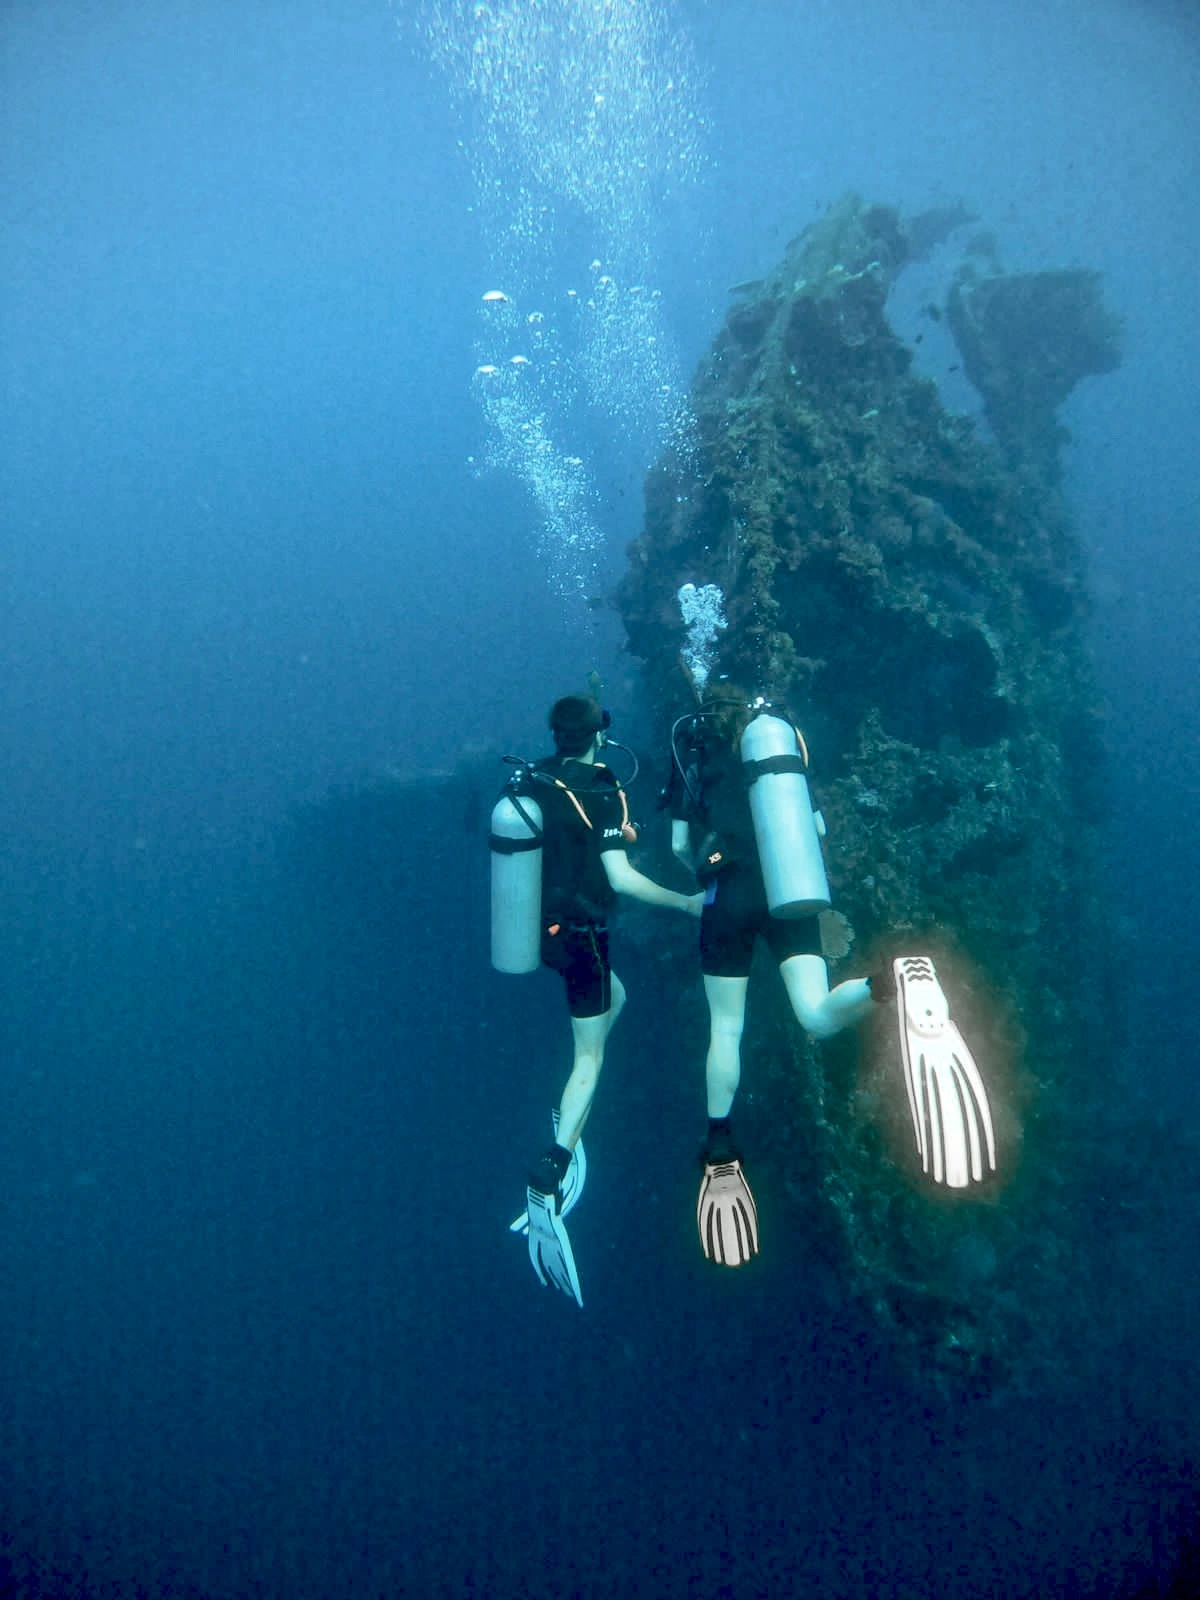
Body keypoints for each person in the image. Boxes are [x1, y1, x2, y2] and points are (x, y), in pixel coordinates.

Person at [665, 684, 996, 1270]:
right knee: (817, 1015)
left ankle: (720, 1146)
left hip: (728, 895)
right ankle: (890, 982)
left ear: (704, 717)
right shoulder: (782, 743)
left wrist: (704, 874)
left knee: (727, 1027)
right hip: (789, 887)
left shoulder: (690, 750)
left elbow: (677, 847)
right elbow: (814, 827)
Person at [504, 693, 703, 1307]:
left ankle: (569, 1111)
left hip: (538, 931)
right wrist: (687, 903)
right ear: (600, 733)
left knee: (619, 996)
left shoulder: (536, 777)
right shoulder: (603, 786)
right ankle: (551, 1170)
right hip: (583, 934)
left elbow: (564, 842)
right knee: (589, 1059)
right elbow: (621, 879)